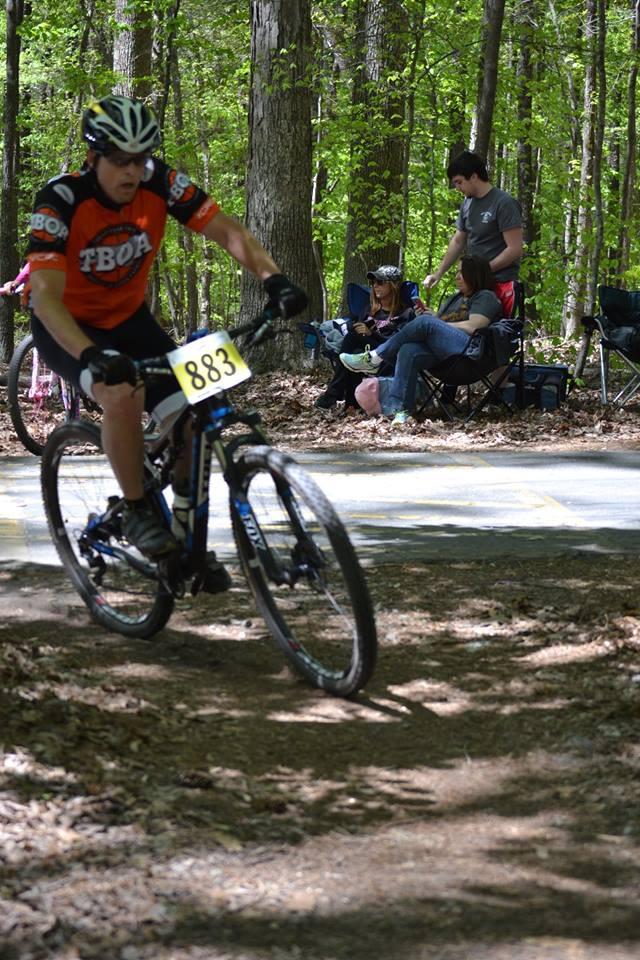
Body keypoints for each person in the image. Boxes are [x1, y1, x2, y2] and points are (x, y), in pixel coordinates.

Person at [26, 94, 307, 580]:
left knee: (199, 410)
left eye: (139, 160)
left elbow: (226, 230)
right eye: (119, 161)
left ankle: (183, 542)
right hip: (69, 327)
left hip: (131, 319)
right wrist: (91, 356)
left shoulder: (161, 182)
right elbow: (46, 297)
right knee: (121, 392)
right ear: (93, 158)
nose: (131, 172)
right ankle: (136, 506)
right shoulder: (60, 201)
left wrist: (273, 278)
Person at [340, 254, 501, 425]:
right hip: (445, 353)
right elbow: (441, 325)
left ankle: (375, 357)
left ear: (475, 275)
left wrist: (434, 323)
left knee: (425, 322)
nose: (456, 276)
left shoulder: (484, 296)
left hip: (470, 353)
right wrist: (434, 318)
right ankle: (400, 411)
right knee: (408, 350)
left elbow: (475, 326)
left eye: (461, 272)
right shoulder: (454, 298)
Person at [423, 150, 522, 317]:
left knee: (480, 332)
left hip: (499, 284)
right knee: (444, 320)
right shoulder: (467, 204)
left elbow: (515, 249)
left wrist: (483, 271)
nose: (457, 188)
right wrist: (438, 273)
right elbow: (458, 241)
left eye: (459, 182)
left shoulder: (503, 203)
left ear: (474, 176)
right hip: (473, 285)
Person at [314, 265, 415, 411]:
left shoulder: (406, 313)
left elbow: (397, 343)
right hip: (363, 355)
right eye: (373, 283)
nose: (375, 286)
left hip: (386, 357)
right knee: (353, 348)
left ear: (393, 286)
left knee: (353, 341)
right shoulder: (369, 310)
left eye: (380, 282)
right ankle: (352, 403)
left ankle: (332, 394)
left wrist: (371, 333)